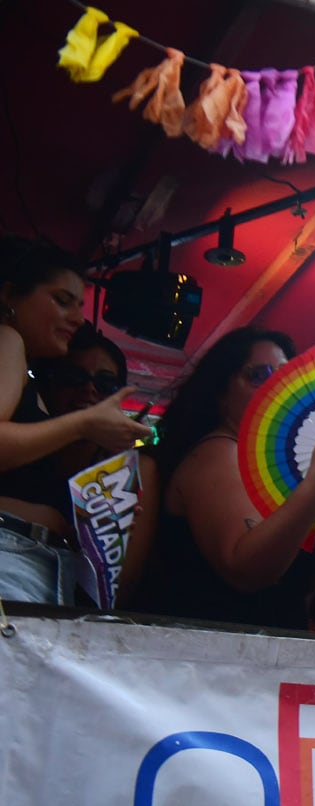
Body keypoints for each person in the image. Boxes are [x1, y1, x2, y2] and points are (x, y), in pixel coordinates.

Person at [139, 326, 315, 629]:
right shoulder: (216, 451)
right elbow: (245, 570)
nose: (277, 388)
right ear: (220, 396)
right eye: (259, 376)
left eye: (285, 378)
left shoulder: (266, 471)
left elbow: (282, 590)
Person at [0, 235, 151, 605]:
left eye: (79, 305)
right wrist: (84, 424)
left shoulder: (23, 369)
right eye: (61, 300)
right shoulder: (8, 341)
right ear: (9, 296)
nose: (78, 319)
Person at [34, 323, 159, 606]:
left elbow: (121, 589)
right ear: (47, 384)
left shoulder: (131, 470)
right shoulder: (22, 450)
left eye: (105, 384)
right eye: (73, 378)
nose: (89, 390)